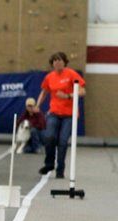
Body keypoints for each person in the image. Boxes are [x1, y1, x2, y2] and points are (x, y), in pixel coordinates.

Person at [35, 51, 86, 179]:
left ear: (64, 62)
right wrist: (37, 106)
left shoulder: (71, 74)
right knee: (49, 136)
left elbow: (82, 91)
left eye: (60, 60)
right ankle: (49, 163)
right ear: (52, 64)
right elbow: (44, 92)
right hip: (54, 112)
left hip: (69, 115)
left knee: (63, 141)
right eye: (55, 61)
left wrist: (68, 96)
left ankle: (60, 169)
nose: (57, 63)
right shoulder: (49, 77)